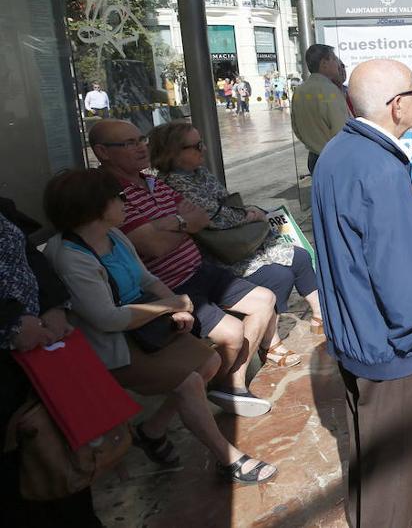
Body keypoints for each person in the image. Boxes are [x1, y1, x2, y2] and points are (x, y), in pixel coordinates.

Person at [41, 170, 277, 485]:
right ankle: (228, 458)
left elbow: (146, 279)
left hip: (144, 326)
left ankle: (152, 430)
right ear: (95, 207)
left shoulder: (113, 235)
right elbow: (107, 319)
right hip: (113, 346)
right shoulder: (71, 258)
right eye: (119, 198)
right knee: (189, 382)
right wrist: (170, 306)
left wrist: (178, 306)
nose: (126, 203)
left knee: (209, 361)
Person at [312, 59, 412, 528]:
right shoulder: (382, 172)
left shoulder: (337, 152)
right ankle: (388, 515)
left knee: (367, 442)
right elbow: (401, 277)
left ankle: (370, 513)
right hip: (389, 346)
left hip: (355, 334)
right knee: (396, 459)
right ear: (396, 105)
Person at [90, 120, 278, 417]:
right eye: (128, 143)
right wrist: (181, 223)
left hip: (199, 269)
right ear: (102, 152)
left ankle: (233, 383)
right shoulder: (109, 193)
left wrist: (167, 226)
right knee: (232, 333)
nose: (141, 147)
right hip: (168, 284)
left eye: (141, 139)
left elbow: (200, 217)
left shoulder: (152, 180)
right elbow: (152, 247)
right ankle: (181, 410)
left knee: (265, 300)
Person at [148, 121, 323, 338]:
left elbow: (225, 204)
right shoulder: (174, 183)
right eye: (196, 146)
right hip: (220, 252)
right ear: (173, 152)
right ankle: (269, 342)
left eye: (201, 143)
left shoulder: (197, 173)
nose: (203, 149)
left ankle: (320, 316)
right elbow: (213, 217)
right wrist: (249, 215)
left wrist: (244, 212)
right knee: (278, 276)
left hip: (235, 241)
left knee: (300, 256)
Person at [0, 197, 102, 526]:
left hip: (38, 346)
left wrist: (52, 306)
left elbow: (29, 255)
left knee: (61, 445)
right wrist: (10, 324)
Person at [291, 44, 351, 175]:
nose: (337, 64)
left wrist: (313, 144)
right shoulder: (330, 91)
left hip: (314, 157)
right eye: (334, 60)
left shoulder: (300, 91)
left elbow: (296, 128)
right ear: (324, 63)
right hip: (335, 159)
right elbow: (342, 131)